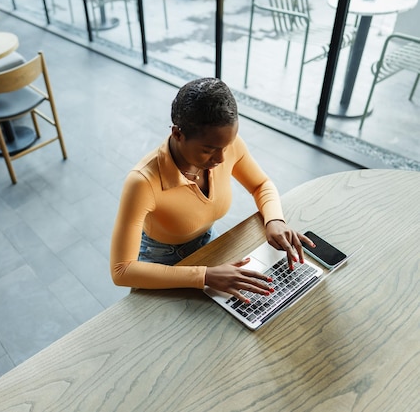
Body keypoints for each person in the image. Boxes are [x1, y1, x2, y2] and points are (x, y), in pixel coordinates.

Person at [110, 78, 314, 303]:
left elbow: (261, 185)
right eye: (209, 150)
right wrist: (204, 275)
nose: (221, 158)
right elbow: (122, 270)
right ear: (177, 134)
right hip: (160, 261)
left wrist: (275, 220)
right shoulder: (142, 182)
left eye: (227, 146)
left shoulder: (225, 145)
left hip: (208, 244)